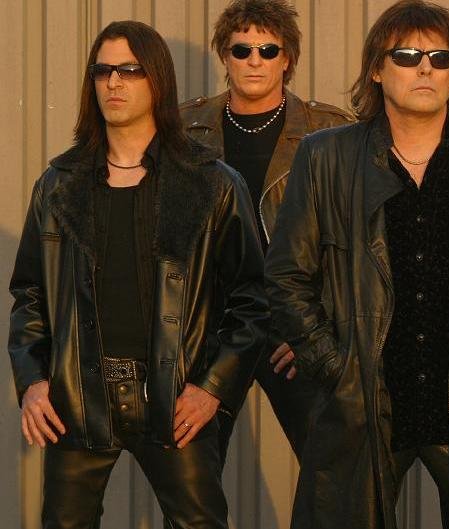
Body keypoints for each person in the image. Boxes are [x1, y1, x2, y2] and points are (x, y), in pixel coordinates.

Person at [263, 1, 449, 528]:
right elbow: (288, 275)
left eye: (440, 58)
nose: (425, 68)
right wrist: (333, 364)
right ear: (376, 70)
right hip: (364, 399)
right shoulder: (325, 158)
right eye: (406, 56)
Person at [7, 20, 268, 529]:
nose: (114, 82)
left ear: (157, 80)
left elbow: (252, 300)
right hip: (79, 397)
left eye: (130, 70)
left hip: (174, 396)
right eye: (102, 71)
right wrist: (32, 381)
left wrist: (211, 388)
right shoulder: (59, 184)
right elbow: (30, 294)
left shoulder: (211, 182)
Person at [179, 0, 353, 461]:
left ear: (287, 58)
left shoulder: (329, 130)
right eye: (242, 50)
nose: (254, 60)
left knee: (329, 465)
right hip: (214, 323)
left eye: (268, 50)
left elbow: (352, 238)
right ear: (225, 55)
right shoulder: (184, 129)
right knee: (192, 469)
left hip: (293, 320)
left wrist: (319, 326)